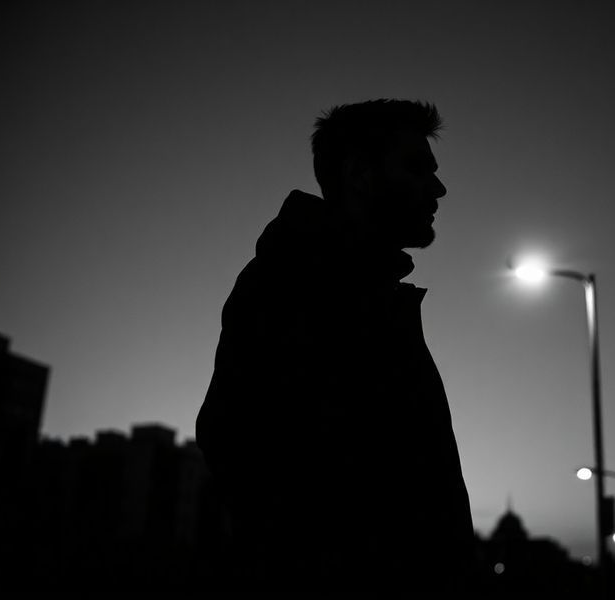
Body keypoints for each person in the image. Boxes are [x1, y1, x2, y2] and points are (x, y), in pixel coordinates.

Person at [196, 99, 474, 594]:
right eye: (417, 168)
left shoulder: (358, 286)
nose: (439, 188)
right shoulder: (301, 284)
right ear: (359, 173)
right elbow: (243, 451)